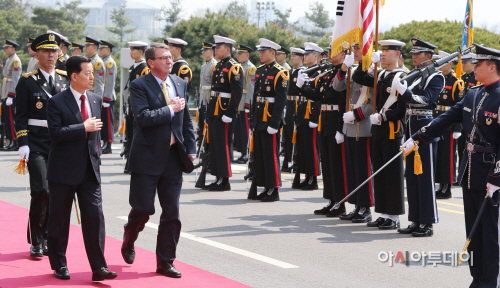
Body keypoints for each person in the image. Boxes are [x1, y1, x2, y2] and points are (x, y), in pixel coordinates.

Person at [403, 44, 500, 288]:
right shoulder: (474, 93)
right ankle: (478, 278)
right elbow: (447, 118)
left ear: (492, 67)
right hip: (471, 170)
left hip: (492, 173)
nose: (473, 67)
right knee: (473, 231)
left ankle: (492, 280)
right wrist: (417, 137)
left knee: (491, 232)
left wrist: (496, 176)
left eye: (478, 64)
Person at [121, 43, 196, 278]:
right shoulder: (139, 84)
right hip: (147, 157)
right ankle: (129, 235)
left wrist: (191, 148)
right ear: (151, 62)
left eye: (170, 57)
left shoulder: (180, 83)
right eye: (163, 58)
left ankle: (165, 261)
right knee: (143, 209)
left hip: (173, 157)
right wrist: (170, 109)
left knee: (172, 213)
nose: (169, 61)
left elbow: (185, 121)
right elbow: (142, 118)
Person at [46, 55, 117, 281]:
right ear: (74, 76)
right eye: (87, 73)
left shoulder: (95, 99)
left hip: (89, 171)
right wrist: (82, 127)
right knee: (59, 220)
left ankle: (99, 267)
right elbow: (55, 134)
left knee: (95, 218)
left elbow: (96, 137)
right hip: (63, 172)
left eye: (92, 73)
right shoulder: (56, 101)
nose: (91, 77)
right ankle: (59, 264)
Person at [15, 33, 70, 258]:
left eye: (54, 51)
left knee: (55, 194)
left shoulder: (65, 79)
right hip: (36, 143)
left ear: (59, 53)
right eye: (46, 51)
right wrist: (23, 142)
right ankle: (36, 240)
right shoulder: (27, 81)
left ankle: (47, 237)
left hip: (60, 143)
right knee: (41, 190)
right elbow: (21, 116)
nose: (50, 55)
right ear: (36, 54)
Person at [349, 40, 407, 228]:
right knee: (380, 173)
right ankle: (383, 213)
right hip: (378, 130)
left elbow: (402, 108)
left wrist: (384, 117)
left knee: (392, 174)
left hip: (392, 130)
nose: (383, 53)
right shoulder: (381, 73)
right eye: (381, 50)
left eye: (387, 51)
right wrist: (366, 64)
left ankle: (394, 216)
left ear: (397, 54)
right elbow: (359, 77)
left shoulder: (403, 76)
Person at [396, 38, 445, 237]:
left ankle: (428, 222)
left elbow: (426, 101)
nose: (414, 56)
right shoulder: (414, 75)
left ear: (429, 56)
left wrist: (405, 93)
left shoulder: (436, 77)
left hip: (425, 131)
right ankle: (416, 220)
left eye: (419, 53)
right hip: (409, 128)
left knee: (425, 178)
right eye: (413, 53)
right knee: (413, 178)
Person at [299, 38, 348, 217]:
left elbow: (343, 102)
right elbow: (317, 96)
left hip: (336, 120)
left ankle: (340, 202)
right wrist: (301, 86)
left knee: (336, 165)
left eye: (333, 50)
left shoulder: (344, 73)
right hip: (325, 119)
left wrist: (340, 127)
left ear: (343, 54)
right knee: (327, 164)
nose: (329, 53)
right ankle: (331, 200)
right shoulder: (328, 73)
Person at [247, 39, 287, 202]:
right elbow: (256, 96)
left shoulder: (280, 72)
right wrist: (252, 119)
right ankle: (264, 186)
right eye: (260, 52)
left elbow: (281, 100)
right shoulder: (259, 70)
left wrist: (275, 122)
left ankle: (273, 188)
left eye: (264, 52)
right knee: (260, 155)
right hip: (259, 118)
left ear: (273, 53)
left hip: (270, 118)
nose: (261, 54)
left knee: (271, 155)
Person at [204, 35, 244, 191]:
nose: (215, 50)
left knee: (223, 145)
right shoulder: (218, 66)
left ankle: (225, 179)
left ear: (227, 49)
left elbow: (237, 92)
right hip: (214, 109)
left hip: (224, 111)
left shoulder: (234, 67)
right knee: (214, 144)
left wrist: (231, 112)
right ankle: (218, 177)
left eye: (218, 47)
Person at [433, 51, 464, 199]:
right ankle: (440, 185)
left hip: (449, 125)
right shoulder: (436, 79)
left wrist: (457, 127)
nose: (439, 65)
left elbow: (459, 107)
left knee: (447, 157)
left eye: (443, 62)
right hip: (436, 122)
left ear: (450, 64)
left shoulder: (456, 82)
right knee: (438, 157)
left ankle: (447, 187)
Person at [293, 42, 322, 190]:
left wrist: (315, 117)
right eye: (304, 54)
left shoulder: (319, 73)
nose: (304, 57)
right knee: (303, 148)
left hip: (311, 114)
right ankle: (306, 176)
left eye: (308, 54)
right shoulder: (305, 71)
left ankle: (313, 178)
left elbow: (318, 97)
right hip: (302, 112)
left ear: (316, 56)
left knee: (311, 148)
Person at [123, 41, 149, 173]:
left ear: (140, 51)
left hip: (138, 106)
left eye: (133, 49)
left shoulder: (144, 68)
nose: (130, 52)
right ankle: (131, 163)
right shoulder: (134, 67)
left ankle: (137, 164)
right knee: (131, 134)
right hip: (131, 104)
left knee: (136, 135)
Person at [282, 47, 304, 173]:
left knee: (297, 133)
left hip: (298, 104)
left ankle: (296, 161)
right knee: (288, 133)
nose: (292, 58)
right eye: (291, 56)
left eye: (295, 56)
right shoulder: (289, 72)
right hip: (290, 104)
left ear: (301, 58)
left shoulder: (303, 72)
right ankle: (287, 160)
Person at [233, 44, 256, 164]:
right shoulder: (239, 66)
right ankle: (242, 153)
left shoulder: (250, 68)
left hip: (245, 104)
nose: (238, 55)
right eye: (237, 53)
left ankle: (247, 154)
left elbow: (250, 88)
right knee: (240, 131)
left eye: (240, 53)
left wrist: (248, 104)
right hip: (238, 104)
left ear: (247, 55)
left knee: (246, 130)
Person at [457, 53, 480, 169]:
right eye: (463, 63)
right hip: (462, 115)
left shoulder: (477, 79)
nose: (463, 65)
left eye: (466, 63)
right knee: (461, 147)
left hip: (472, 117)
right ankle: (462, 171)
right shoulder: (461, 78)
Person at [1, 39, 21, 151]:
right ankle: (10, 142)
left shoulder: (15, 60)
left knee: (11, 119)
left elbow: (16, 80)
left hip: (10, 94)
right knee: (7, 121)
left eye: (7, 47)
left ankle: (15, 142)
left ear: (13, 48)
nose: (5, 49)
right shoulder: (9, 59)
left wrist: (11, 95)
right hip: (5, 93)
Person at [197, 42, 217, 151]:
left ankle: (208, 147)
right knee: (201, 124)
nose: (203, 53)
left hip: (209, 99)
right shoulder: (204, 66)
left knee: (208, 125)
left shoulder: (214, 65)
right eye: (203, 51)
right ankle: (203, 145)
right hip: (203, 99)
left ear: (212, 51)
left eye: (206, 50)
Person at [99, 40, 117, 154]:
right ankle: (105, 143)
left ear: (108, 50)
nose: (100, 50)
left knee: (108, 122)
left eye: (102, 48)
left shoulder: (110, 62)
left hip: (108, 97)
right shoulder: (103, 61)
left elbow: (110, 82)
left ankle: (108, 144)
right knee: (103, 122)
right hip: (104, 97)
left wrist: (106, 98)